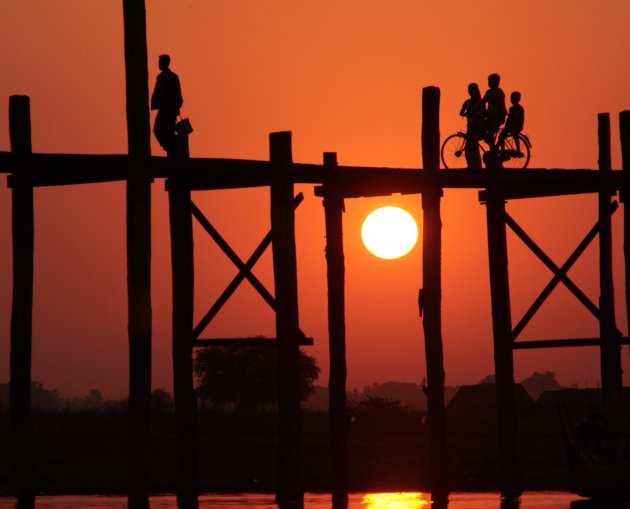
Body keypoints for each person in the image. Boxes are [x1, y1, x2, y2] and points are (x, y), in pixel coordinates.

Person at [151, 54, 183, 156]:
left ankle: (172, 149)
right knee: (159, 130)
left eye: (160, 62)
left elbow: (178, 95)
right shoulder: (160, 78)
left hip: (170, 110)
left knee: (166, 131)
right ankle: (171, 148)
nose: (159, 64)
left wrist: (175, 106)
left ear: (166, 63)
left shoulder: (173, 77)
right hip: (163, 108)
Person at [460, 82, 486, 169]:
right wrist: (467, 114)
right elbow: (461, 112)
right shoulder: (467, 102)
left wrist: (475, 115)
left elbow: (484, 113)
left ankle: (475, 165)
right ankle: (471, 165)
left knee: (472, 145)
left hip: (477, 125)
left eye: (472, 89)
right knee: (469, 146)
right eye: (469, 89)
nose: (470, 91)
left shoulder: (480, 102)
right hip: (470, 125)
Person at [482, 73, 507, 149]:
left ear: (497, 82)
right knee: (481, 129)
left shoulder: (499, 92)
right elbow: (482, 102)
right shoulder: (488, 92)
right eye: (489, 81)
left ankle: (494, 148)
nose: (489, 83)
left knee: (490, 133)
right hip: (491, 117)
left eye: (491, 81)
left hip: (498, 117)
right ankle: (492, 147)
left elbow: (497, 104)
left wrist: (489, 112)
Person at [498, 91, 525, 156]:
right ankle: (502, 150)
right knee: (501, 136)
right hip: (510, 126)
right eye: (511, 98)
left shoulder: (520, 108)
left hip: (517, 126)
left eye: (514, 98)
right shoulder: (511, 109)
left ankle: (518, 149)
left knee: (515, 135)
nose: (512, 100)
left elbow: (518, 119)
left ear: (518, 99)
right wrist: (506, 127)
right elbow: (509, 119)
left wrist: (512, 126)